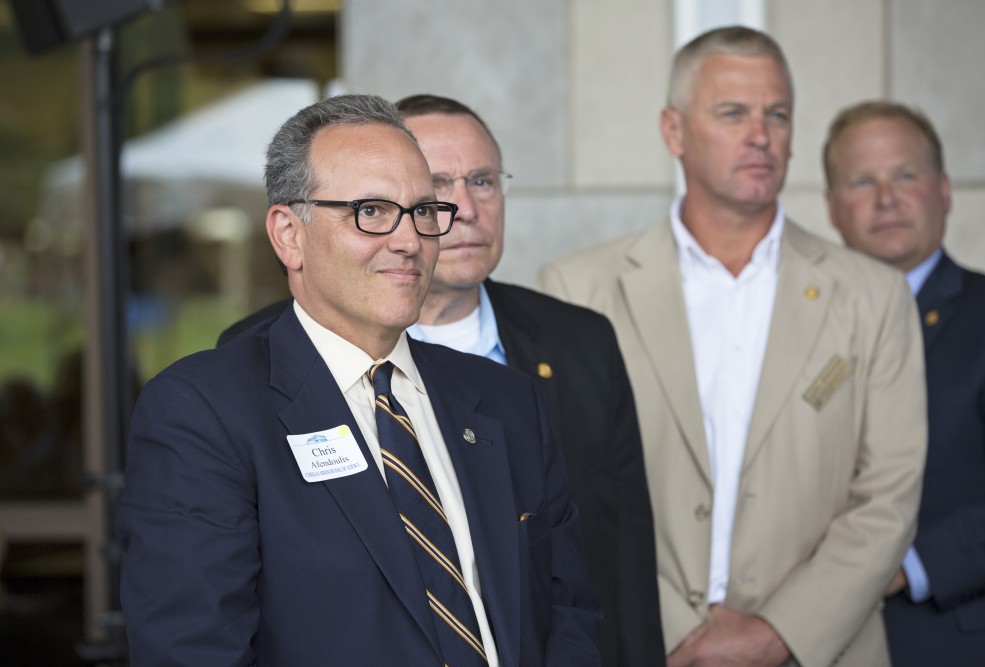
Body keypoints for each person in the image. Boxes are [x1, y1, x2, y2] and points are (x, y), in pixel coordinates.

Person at [117, 94, 601, 666]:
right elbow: (193, 651)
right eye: (370, 211)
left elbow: (567, 614)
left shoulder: (506, 401)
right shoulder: (204, 412)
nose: (408, 240)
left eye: (423, 211)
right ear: (288, 235)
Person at [219, 93, 664, 666]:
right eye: (377, 209)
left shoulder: (554, 360)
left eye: (481, 181)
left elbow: (601, 570)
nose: (461, 209)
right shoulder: (241, 375)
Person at [539, 26, 926, 667]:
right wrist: (673, 633)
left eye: (777, 114)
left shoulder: (873, 294)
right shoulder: (580, 288)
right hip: (646, 647)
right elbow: (572, 493)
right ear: (673, 131)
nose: (761, 135)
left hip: (823, 651)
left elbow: (888, 499)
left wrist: (775, 635)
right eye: (732, 113)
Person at [824, 100, 985, 666]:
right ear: (831, 208)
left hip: (955, 642)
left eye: (905, 175)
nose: (886, 200)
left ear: (945, 191)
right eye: (861, 181)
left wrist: (898, 568)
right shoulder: (802, 331)